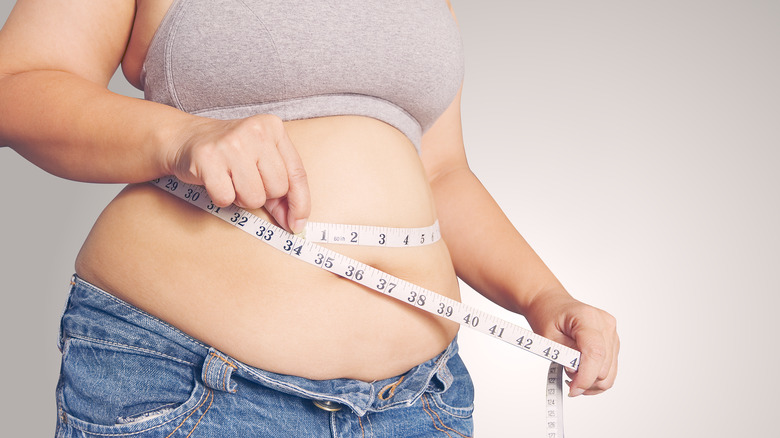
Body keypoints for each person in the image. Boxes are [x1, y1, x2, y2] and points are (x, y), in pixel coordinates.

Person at [0, 0, 619, 436]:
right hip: (193, 380)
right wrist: (184, 136)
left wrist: (543, 297)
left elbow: (440, 174)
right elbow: (17, 85)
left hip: (418, 403)